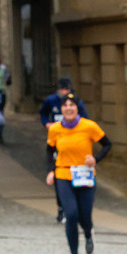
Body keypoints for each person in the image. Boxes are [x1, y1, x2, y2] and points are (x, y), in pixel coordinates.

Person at [45, 92, 112, 254]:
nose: (68, 108)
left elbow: (107, 144)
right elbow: (49, 151)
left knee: (84, 215)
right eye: (65, 105)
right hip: (64, 175)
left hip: (84, 174)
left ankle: (89, 233)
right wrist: (51, 171)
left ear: (77, 108)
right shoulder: (55, 129)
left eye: (72, 105)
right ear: (61, 109)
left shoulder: (89, 126)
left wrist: (95, 159)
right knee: (71, 214)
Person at [41, 78, 89, 222]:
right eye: (61, 90)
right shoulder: (51, 100)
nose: (63, 92)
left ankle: (76, 207)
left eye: (66, 90)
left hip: (75, 142)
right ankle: (62, 208)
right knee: (59, 176)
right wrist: (47, 124)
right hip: (58, 141)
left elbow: (85, 119)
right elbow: (43, 113)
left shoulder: (77, 102)